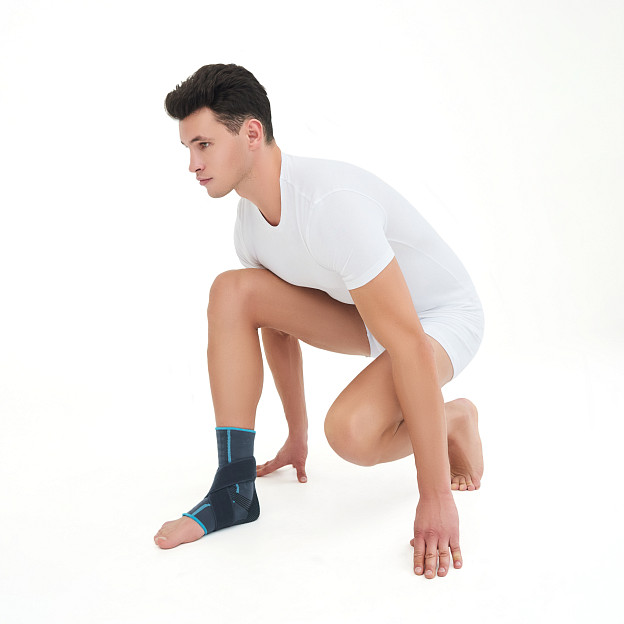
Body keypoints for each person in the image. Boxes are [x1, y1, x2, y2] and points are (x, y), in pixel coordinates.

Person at [153, 63, 485, 579]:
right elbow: (277, 327)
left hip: (436, 319)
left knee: (352, 433)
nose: (193, 164)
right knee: (235, 292)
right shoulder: (249, 223)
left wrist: (436, 496)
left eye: (204, 145)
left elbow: (409, 344)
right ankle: (234, 489)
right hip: (366, 312)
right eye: (188, 149)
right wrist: (297, 433)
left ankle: (453, 418)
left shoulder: (330, 205)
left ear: (252, 133)